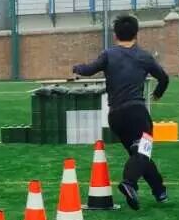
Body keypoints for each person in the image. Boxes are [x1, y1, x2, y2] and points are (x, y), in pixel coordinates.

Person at [73, 12, 170, 209]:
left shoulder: (108, 54)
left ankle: (159, 191)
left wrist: (76, 68)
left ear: (115, 35)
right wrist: (158, 93)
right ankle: (129, 183)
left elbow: (89, 70)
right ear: (136, 33)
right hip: (137, 113)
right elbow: (164, 78)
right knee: (143, 152)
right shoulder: (144, 56)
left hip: (116, 116)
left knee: (139, 155)